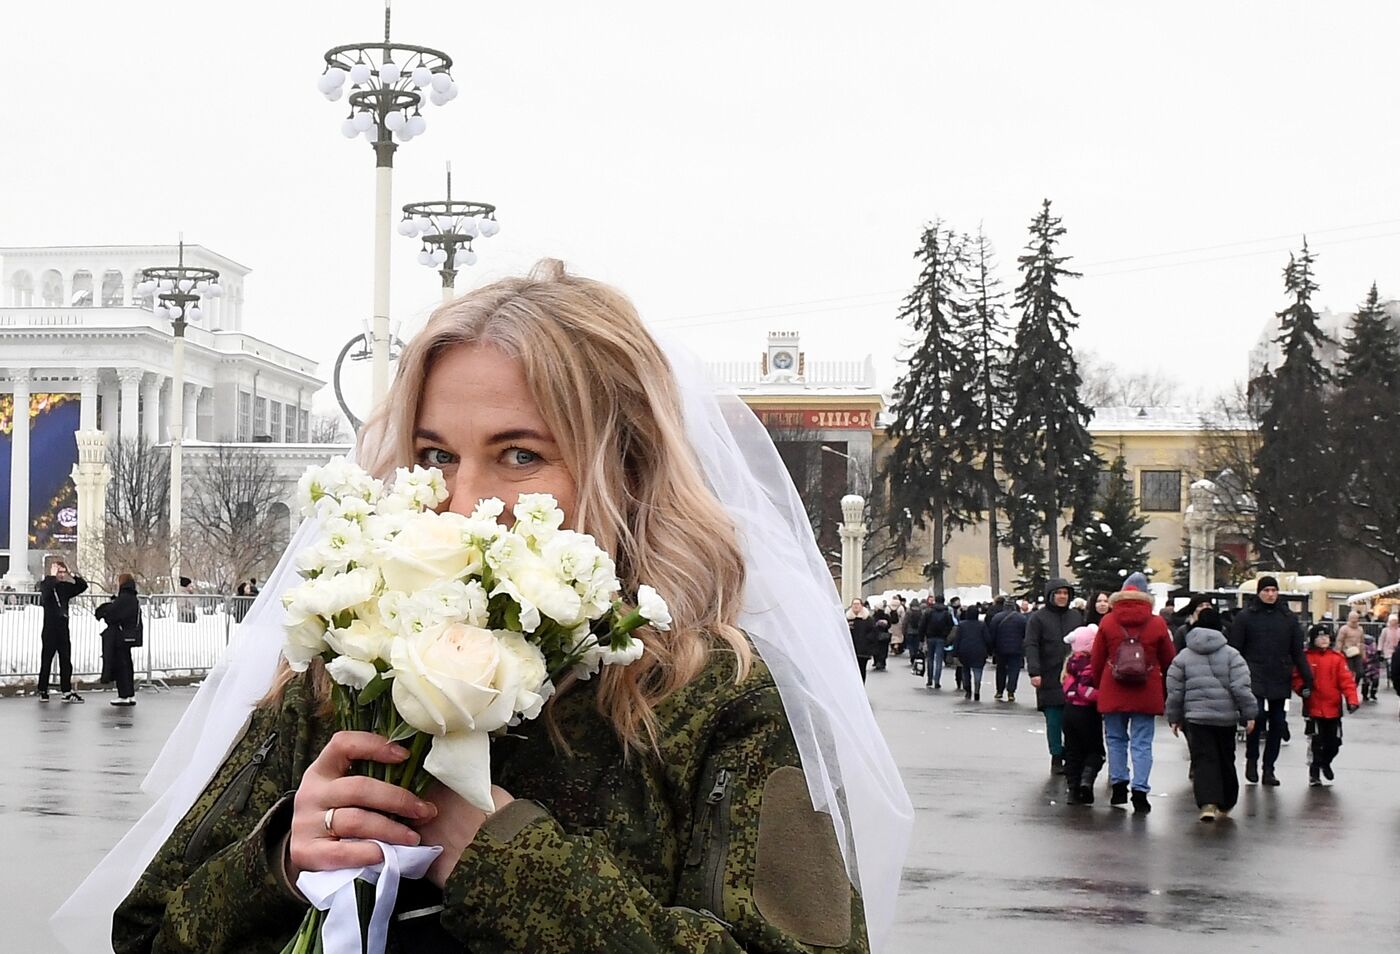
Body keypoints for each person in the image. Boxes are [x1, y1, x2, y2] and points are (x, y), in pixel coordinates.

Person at [87, 260, 907, 954]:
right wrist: (279, 865)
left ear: (626, 468)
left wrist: (498, 855)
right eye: (434, 455)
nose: (460, 502)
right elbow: (148, 933)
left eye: (520, 454)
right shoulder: (344, 670)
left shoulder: (721, 698)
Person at [1090, 573, 1175, 814]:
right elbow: (1169, 659)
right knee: (1142, 742)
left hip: (1113, 687)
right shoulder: (1157, 623)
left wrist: (1101, 684)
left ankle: (1118, 786)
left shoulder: (1107, 621)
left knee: (1115, 739)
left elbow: (1097, 659)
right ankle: (1140, 791)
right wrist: (1165, 689)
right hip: (1146, 689)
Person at [1165, 607, 1256, 822]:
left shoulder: (1183, 657)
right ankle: (1226, 801)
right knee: (1226, 757)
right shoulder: (1233, 655)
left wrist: (1174, 717)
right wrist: (1249, 713)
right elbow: (1241, 687)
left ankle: (1207, 802)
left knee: (1204, 758)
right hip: (1226, 718)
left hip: (1196, 717)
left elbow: (1175, 690)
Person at [1229, 575, 1313, 787]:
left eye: (1273, 591)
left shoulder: (1287, 618)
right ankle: (1251, 759)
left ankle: (1269, 768)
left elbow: (1297, 651)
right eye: (1266, 591)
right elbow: (1235, 649)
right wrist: (1232, 675)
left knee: (1277, 723)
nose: (1270, 594)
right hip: (1253, 674)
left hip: (1279, 674)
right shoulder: (1246, 617)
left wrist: (1308, 677)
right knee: (1255, 719)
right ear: (1259, 593)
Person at [1024, 579, 1083, 775]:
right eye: (1058, 593)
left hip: (1073, 675)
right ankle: (1057, 755)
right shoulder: (1038, 618)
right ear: (1051, 595)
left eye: (1065, 593)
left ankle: (1072, 754)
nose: (1062, 597)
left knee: (1074, 718)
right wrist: (1035, 671)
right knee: (1054, 718)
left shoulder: (1075, 617)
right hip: (1049, 675)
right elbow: (1031, 644)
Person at [1296, 625, 1360, 786]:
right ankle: (1314, 772)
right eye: (1320, 637)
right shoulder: (1306, 658)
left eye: (1326, 636)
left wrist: (1352, 700)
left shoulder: (1336, 658)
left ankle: (1326, 762)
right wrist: (1301, 688)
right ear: (1313, 639)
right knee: (1316, 742)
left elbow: (1346, 681)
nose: (1324, 639)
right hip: (1313, 707)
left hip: (1333, 708)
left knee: (1334, 743)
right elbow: (1297, 677)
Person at [1060, 624, 1104, 806]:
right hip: (1087, 712)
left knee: (1072, 751)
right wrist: (1103, 696)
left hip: (1068, 711)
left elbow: (1067, 686)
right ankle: (1086, 781)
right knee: (1095, 751)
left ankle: (1073, 789)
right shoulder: (1092, 665)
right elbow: (1085, 689)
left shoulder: (1070, 663)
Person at [38, 560, 88, 702]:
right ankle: (43, 689)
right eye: (58, 572)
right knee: (46, 659)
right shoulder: (46, 584)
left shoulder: (65, 587)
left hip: (63, 628)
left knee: (65, 660)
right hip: (49, 628)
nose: (61, 575)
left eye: (62, 572)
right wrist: (52, 577)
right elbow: (45, 592)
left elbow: (82, 586)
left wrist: (72, 574)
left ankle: (66, 690)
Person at [96, 574, 141, 707]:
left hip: (120, 636)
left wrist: (105, 611)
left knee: (121, 665)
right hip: (128, 635)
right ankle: (130, 693)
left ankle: (123, 695)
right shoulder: (133, 598)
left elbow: (113, 616)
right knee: (127, 665)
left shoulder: (124, 598)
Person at [949, 605, 990, 701]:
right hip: (979, 651)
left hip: (964, 650)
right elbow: (988, 639)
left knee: (965, 670)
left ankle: (967, 690)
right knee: (978, 671)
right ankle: (977, 690)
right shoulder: (982, 625)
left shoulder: (962, 625)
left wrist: (955, 653)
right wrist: (989, 650)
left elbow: (957, 640)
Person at [988, 601, 1026, 702]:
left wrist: (992, 648)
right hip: (1017, 648)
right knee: (1014, 670)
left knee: (1001, 669)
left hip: (1000, 648)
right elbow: (1025, 634)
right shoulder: (1021, 618)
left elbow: (992, 634)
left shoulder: (997, 617)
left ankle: (999, 691)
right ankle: (1011, 692)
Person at [921, 594, 955, 690]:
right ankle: (937, 681)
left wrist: (921, 638)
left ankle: (929, 679)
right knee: (939, 660)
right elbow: (951, 625)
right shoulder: (947, 613)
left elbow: (923, 625)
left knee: (930, 658)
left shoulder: (929, 611)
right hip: (941, 638)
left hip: (930, 637)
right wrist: (946, 635)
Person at [1334, 610, 1366, 693]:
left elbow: (1362, 642)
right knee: (1349, 673)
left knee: (1360, 672)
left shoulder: (1360, 629)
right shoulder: (1344, 628)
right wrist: (1338, 651)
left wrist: (1363, 654)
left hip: (1357, 652)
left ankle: (1354, 686)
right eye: (1352, 618)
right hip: (1347, 653)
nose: (1354, 620)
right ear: (1349, 618)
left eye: (1356, 618)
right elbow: (1339, 641)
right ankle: (1349, 689)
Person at [848, 597, 879, 682]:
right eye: (854, 604)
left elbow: (874, 633)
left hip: (863, 651)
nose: (856, 606)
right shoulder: (848, 619)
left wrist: (867, 642)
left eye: (858, 604)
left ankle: (861, 687)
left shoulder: (868, 619)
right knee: (851, 671)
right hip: (851, 651)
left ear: (861, 606)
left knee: (862, 670)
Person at [869, 599, 893, 672]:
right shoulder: (886, 616)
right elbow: (889, 625)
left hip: (876, 635)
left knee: (876, 649)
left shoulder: (874, 616)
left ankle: (877, 662)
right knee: (883, 650)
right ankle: (882, 662)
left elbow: (872, 625)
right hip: (884, 636)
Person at [904, 596, 926, 674]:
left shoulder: (909, 611)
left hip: (910, 631)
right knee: (916, 645)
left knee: (910, 645)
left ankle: (912, 655)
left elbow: (905, 622)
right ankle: (915, 654)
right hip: (918, 631)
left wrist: (904, 630)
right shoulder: (921, 612)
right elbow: (923, 622)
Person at [1361, 634, 1381, 702]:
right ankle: (1366, 694)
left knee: (1374, 681)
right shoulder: (1362, 647)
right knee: (1367, 681)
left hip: (1373, 666)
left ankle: (1371, 694)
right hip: (1367, 666)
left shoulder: (1373, 647)